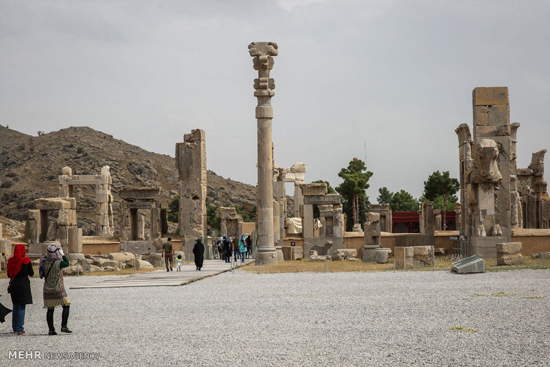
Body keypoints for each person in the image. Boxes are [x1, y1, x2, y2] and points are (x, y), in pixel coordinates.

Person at [43, 244, 71, 335]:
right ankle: (64, 326)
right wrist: (62, 254)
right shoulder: (59, 263)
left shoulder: (44, 262)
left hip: (47, 288)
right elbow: (67, 263)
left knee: (50, 309)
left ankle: (51, 329)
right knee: (66, 305)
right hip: (58, 288)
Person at [7, 244, 33, 335]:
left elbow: (9, 274)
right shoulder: (26, 261)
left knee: (15, 306)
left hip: (14, 285)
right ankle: (19, 328)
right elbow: (31, 273)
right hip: (23, 285)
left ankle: (14, 327)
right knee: (22, 306)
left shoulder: (10, 261)